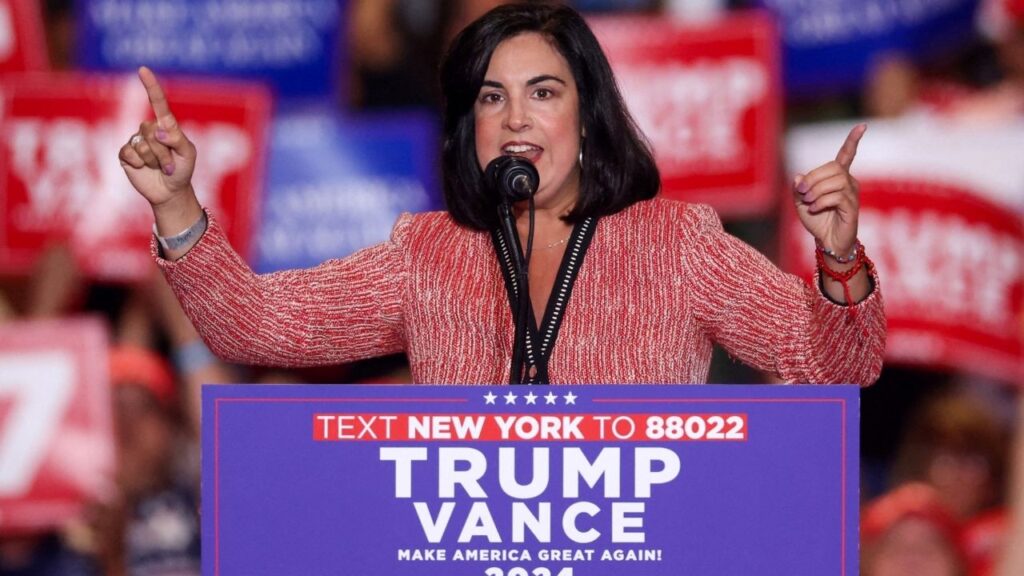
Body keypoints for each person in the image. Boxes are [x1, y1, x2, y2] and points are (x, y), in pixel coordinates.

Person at [117, 3, 885, 385]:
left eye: (543, 92)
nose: (515, 117)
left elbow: (836, 363)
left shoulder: (677, 242)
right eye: (491, 98)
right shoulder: (426, 254)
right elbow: (256, 328)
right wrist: (176, 204)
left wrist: (840, 257)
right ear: (468, 127)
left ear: (586, 116)